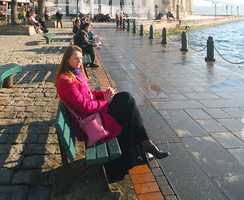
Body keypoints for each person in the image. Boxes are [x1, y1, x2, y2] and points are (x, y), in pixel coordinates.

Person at [55, 46, 169, 182]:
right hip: (89, 123)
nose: (79, 62)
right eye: (75, 59)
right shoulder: (66, 81)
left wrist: (103, 94)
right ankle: (142, 145)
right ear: (67, 60)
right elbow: (85, 107)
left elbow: (87, 93)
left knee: (126, 101)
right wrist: (106, 102)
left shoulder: (74, 74)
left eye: (80, 58)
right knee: (126, 103)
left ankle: (143, 144)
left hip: (92, 116)